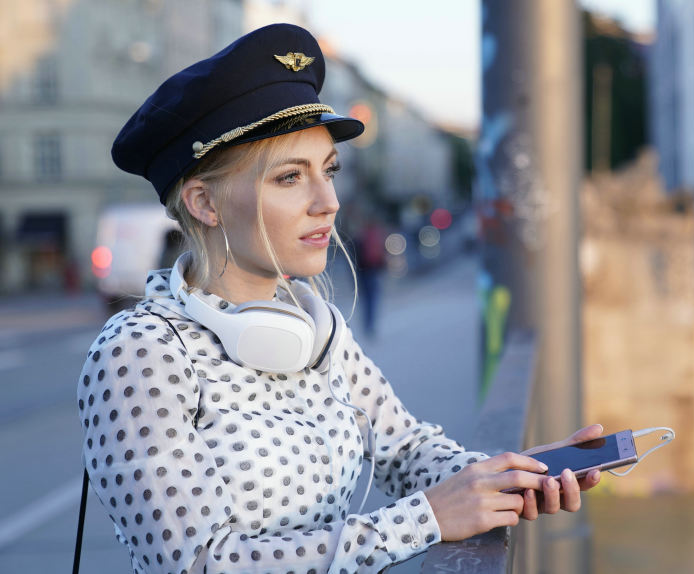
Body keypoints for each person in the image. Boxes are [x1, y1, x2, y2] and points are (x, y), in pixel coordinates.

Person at [76, 23, 601, 574]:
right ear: (205, 202)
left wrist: (511, 474)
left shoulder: (313, 328)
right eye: (289, 178)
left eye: (328, 172)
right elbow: (200, 563)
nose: (327, 201)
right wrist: (426, 520)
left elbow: (405, 449)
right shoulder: (139, 355)